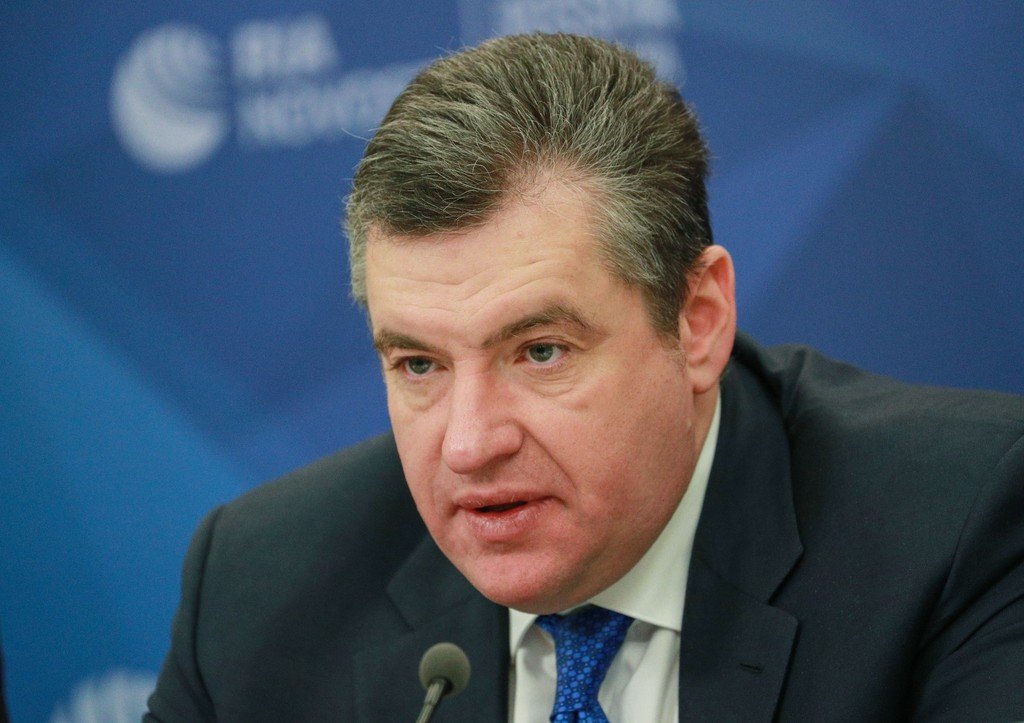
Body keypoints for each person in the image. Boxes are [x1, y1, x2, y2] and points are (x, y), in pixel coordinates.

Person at [146, 33, 1024, 722]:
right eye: (419, 364)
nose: (469, 444)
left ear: (698, 320)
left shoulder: (962, 525)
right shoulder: (257, 593)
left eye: (540, 351)